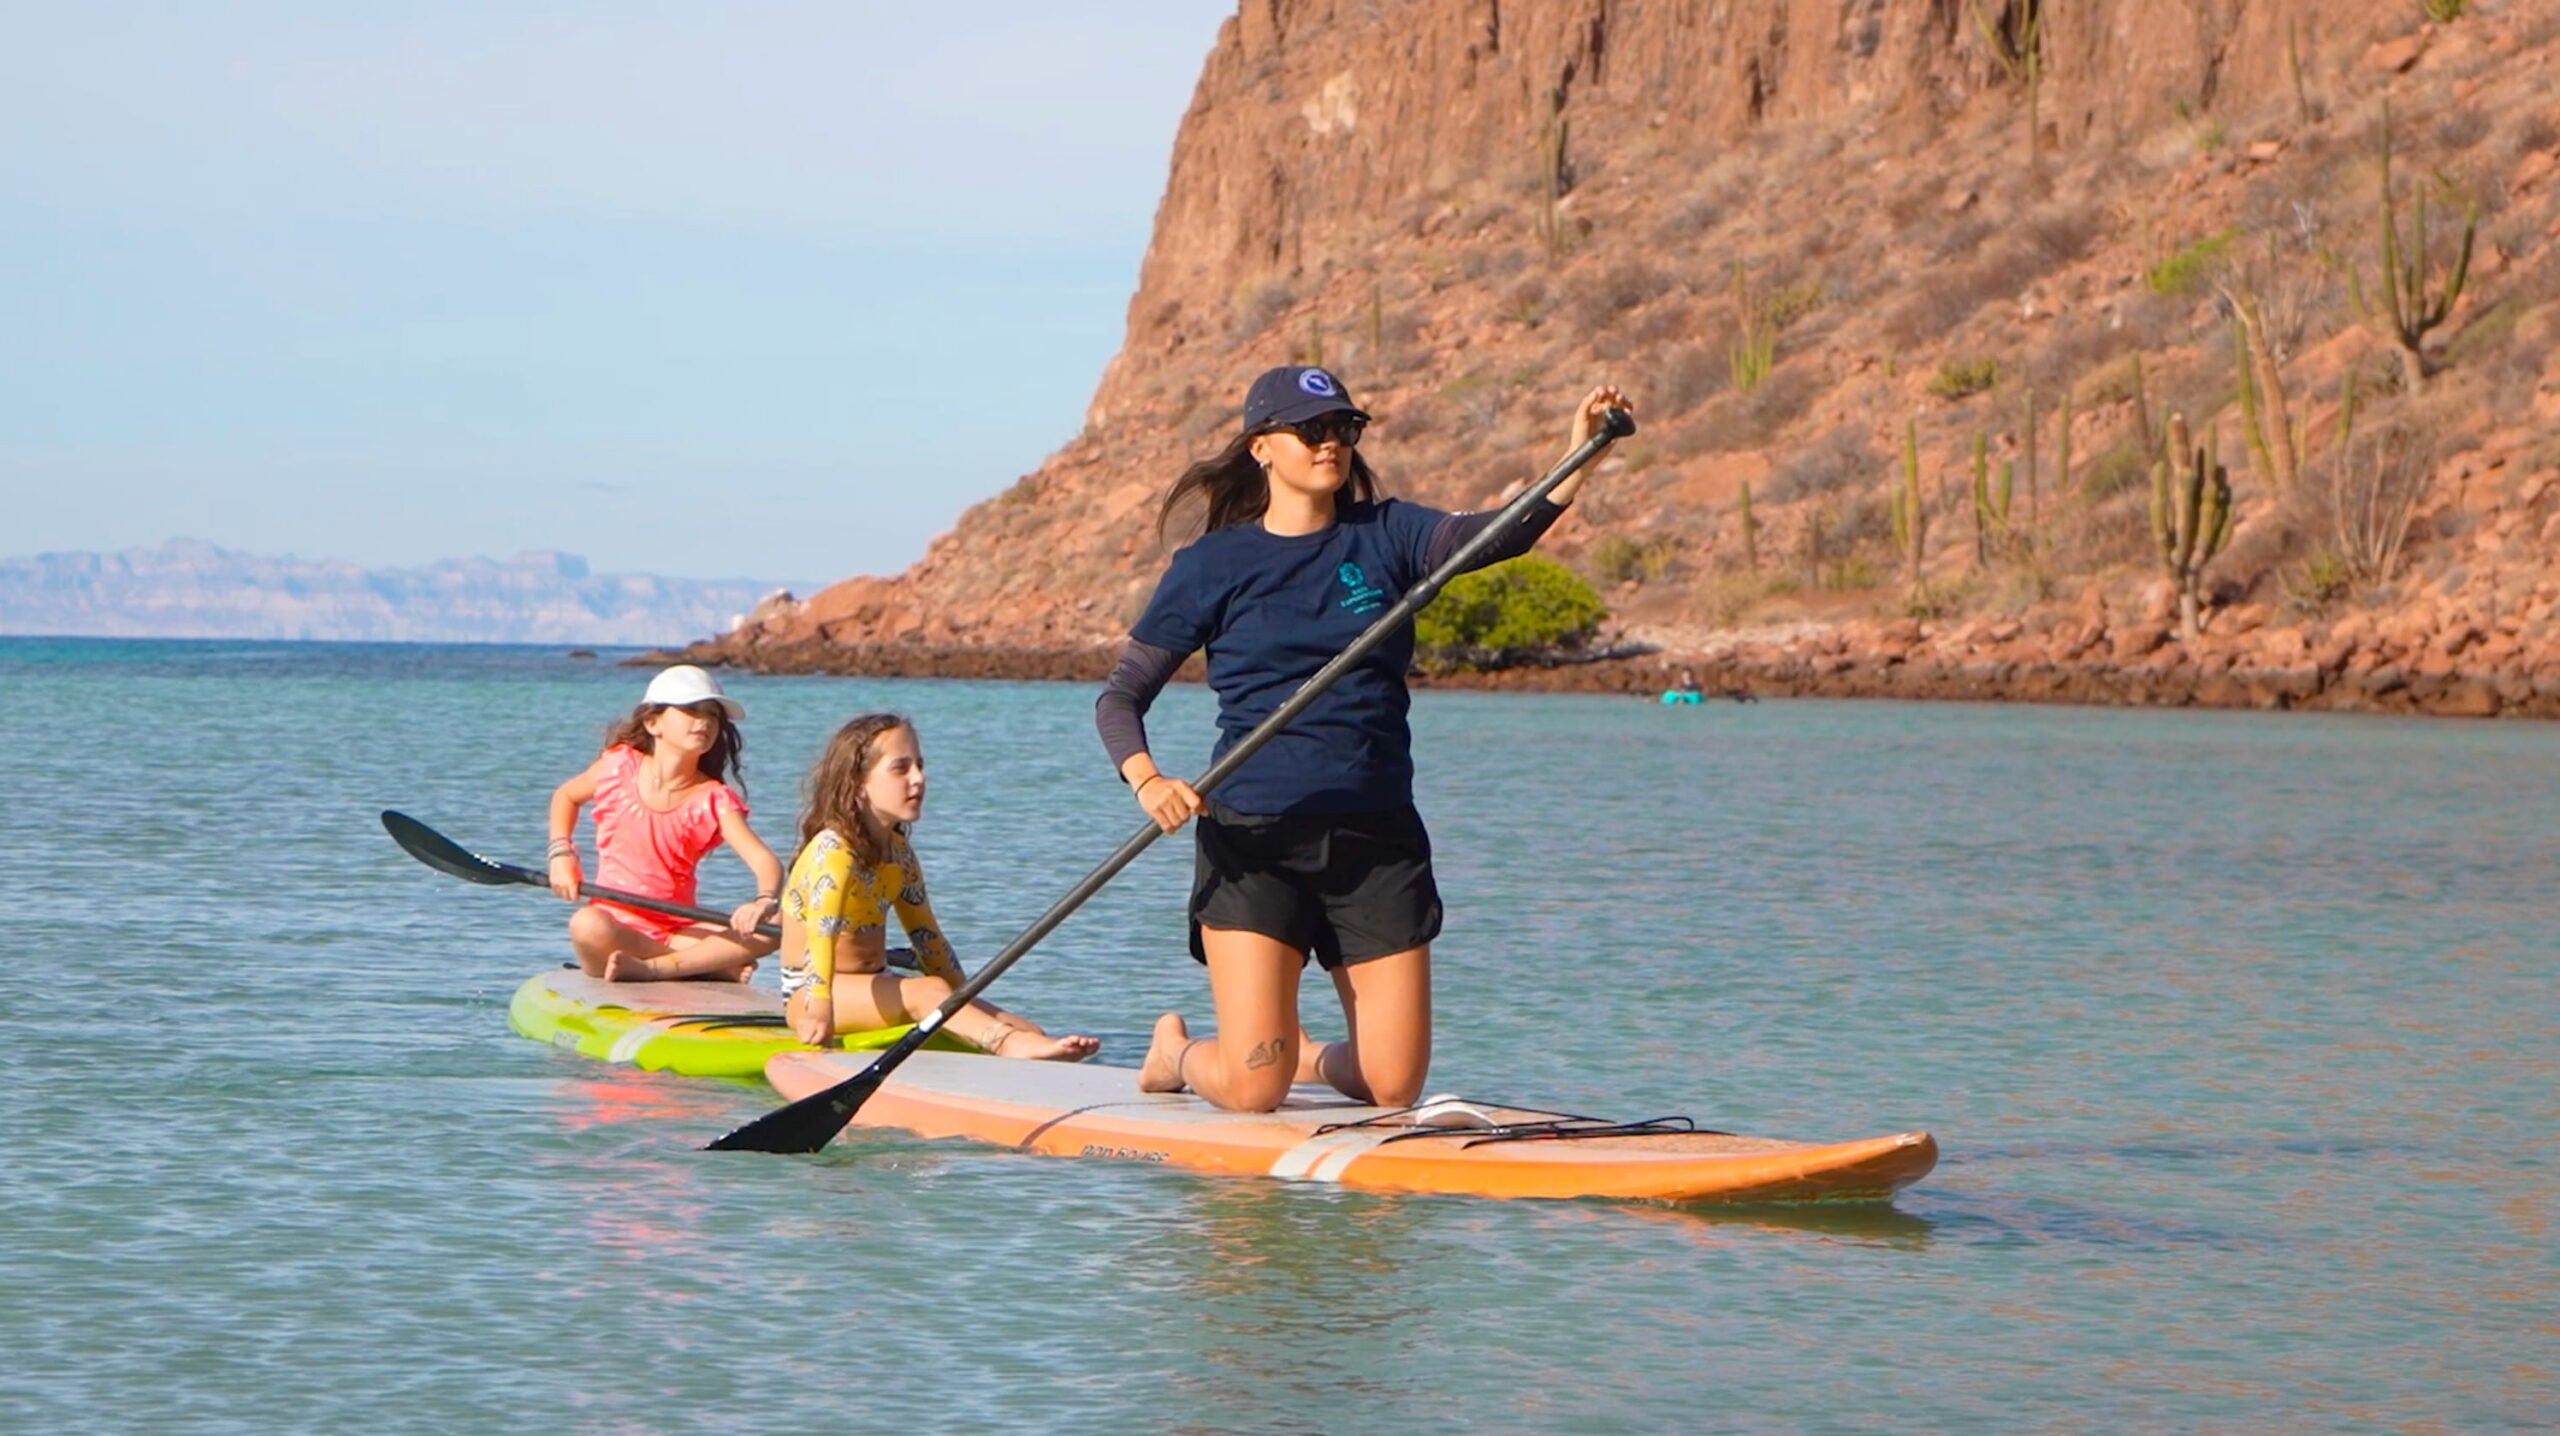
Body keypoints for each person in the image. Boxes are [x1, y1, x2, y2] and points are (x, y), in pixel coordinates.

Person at [1096, 365, 1630, 1112]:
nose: (1331, 443)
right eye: (1310, 429)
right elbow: (1121, 696)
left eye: (1344, 428)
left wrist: (1581, 457)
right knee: (1253, 1091)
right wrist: (1148, 779)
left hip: (1376, 840)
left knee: (1392, 1087)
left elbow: (1498, 535)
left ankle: (1300, 1055)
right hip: (1256, 842)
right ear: (1261, 447)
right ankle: (1178, 1053)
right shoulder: (1213, 565)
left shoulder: (1388, 534)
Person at [779, 713, 1100, 1061]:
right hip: (810, 992)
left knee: (1028, 1029)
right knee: (928, 992)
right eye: (901, 769)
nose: (918, 779)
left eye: (919, 765)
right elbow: (822, 934)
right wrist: (819, 1012)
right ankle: (1006, 1045)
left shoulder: (900, 854)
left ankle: (1017, 1042)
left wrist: (964, 999)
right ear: (857, 783)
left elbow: (928, 939)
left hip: (876, 982)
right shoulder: (834, 851)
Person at [546, 665, 781, 982]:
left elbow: (765, 861)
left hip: (677, 930)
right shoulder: (618, 766)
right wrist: (561, 854)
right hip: (614, 926)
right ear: (652, 723)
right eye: (691, 710)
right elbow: (566, 796)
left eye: (712, 714)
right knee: (585, 925)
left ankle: (658, 968)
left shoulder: (713, 799)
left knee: (779, 924)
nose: (705, 721)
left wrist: (763, 901)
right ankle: (703, 965)